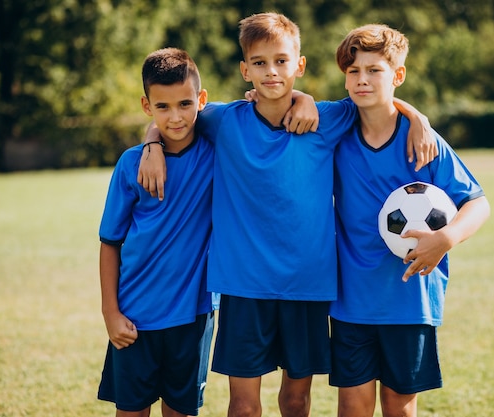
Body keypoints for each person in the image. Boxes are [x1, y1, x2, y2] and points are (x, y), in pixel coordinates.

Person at [137, 13, 435, 417]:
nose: (271, 71)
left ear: (300, 64)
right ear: (245, 70)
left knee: (296, 401)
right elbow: (174, 116)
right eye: (259, 63)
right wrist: (151, 142)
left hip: (307, 288)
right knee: (243, 407)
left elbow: (375, 95)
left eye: (281, 60)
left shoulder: (328, 118)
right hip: (244, 288)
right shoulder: (224, 121)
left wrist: (418, 117)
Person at [330, 24, 491, 417]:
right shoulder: (336, 128)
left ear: (398, 75)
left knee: (400, 409)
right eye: (353, 71)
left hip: (410, 299)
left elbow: (478, 203)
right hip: (351, 299)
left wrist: (447, 237)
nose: (362, 79)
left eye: (375, 70)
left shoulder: (423, 141)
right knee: (352, 407)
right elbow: (291, 104)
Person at [97, 48, 215, 417]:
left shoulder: (218, 153)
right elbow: (109, 243)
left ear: (202, 99)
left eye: (185, 103)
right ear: (147, 106)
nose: (175, 116)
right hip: (135, 316)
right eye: (162, 107)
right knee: (131, 411)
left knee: (180, 411)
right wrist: (110, 313)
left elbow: (264, 105)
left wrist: (402, 108)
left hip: (193, 316)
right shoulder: (131, 163)